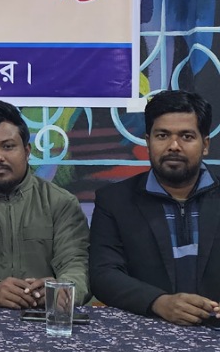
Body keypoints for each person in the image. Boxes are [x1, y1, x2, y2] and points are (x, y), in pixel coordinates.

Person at [0, 100, 90, 309]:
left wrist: (58, 290)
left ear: (27, 151)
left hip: (44, 318)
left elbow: (78, 266)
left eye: (8, 146)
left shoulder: (61, 203)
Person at [90, 90, 220, 325]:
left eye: (187, 136)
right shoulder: (114, 201)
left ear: (205, 144)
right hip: (143, 331)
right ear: (148, 141)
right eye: (162, 135)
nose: (174, 146)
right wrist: (159, 302)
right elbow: (103, 274)